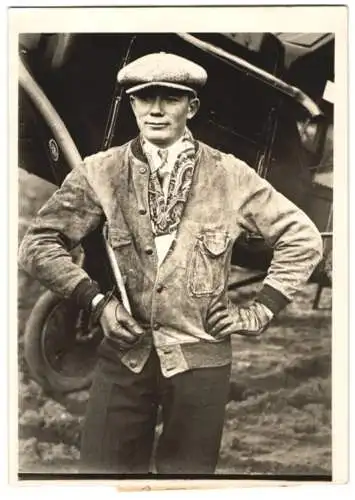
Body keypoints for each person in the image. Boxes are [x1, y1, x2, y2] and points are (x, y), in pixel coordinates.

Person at [18, 51, 323, 475]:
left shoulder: (231, 175)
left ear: (192, 107)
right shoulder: (100, 172)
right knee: (100, 478)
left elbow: (304, 237)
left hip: (202, 366)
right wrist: (96, 303)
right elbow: (38, 243)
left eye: (171, 98)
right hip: (124, 360)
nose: (157, 109)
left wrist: (259, 310)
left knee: (188, 486)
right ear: (132, 105)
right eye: (145, 98)